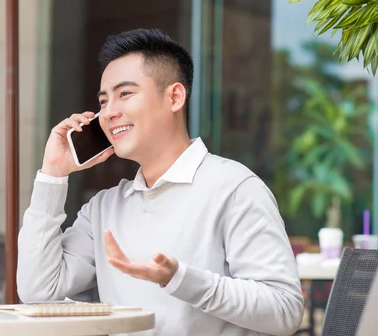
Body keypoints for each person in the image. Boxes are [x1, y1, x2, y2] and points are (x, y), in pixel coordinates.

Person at [17, 28, 304, 336]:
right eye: (103, 101)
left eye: (125, 94)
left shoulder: (234, 188)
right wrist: (52, 174)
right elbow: (39, 291)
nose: (110, 112)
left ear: (174, 97)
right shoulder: (104, 207)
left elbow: (284, 311)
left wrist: (179, 279)